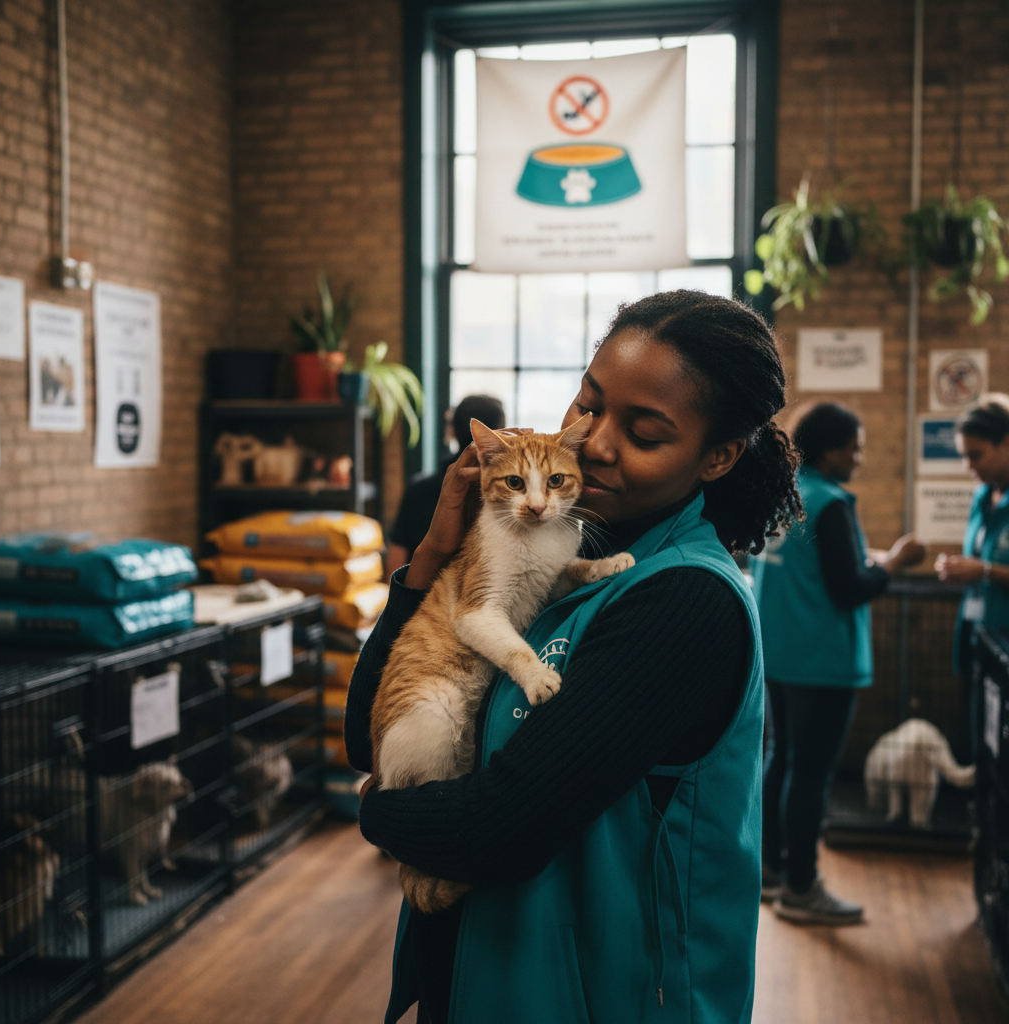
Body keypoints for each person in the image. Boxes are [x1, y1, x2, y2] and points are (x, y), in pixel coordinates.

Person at [345, 290, 803, 1024]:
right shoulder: (558, 544)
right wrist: (437, 553)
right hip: (488, 981)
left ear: (715, 456)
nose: (594, 442)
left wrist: (376, 812)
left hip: (601, 997)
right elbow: (365, 732)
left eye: (644, 432)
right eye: (588, 403)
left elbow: (495, 829)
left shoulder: (684, 602)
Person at [751, 402, 925, 926]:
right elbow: (850, 587)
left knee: (781, 761)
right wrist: (894, 561)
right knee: (811, 776)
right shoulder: (831, 503)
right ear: (831, 450)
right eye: (856, 447)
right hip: (821, 662)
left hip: (779, 656)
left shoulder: (782, 494)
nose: (860, 457)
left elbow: (814, 565)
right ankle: (802, 888)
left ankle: (771, 872)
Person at [935, 395, 1009, 740]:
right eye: (964, 456)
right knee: (981, 738)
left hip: (1005, 641)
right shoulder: (982, 498)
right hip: (977, 634)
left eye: (975, 455)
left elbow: (986, 566)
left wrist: (983, 571)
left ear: (1006, 442)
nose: (969, 467)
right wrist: (957, 568)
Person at [385, 395, 505, 577]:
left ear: (453, 431)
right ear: (501, 434)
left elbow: (395, 560)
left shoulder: (418, 490)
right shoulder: (505, 495)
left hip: (417, 594)